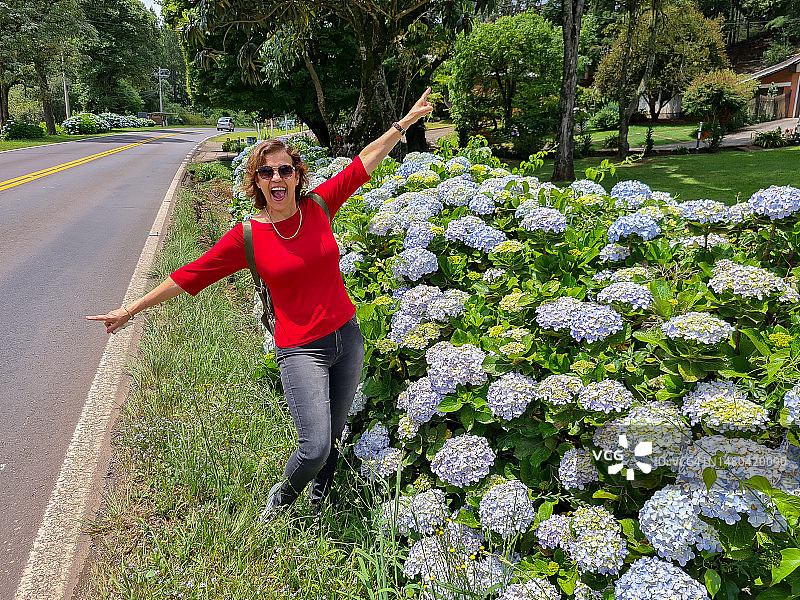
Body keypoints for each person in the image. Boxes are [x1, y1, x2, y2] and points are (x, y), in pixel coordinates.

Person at [87, 88, 434, 518]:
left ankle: (319, 494)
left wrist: (404, 123)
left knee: (337, 430)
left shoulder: (320, 206)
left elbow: (365, 160)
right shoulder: (247, 236)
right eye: (266, 172)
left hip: (348, 335)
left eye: (284, 170)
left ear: (296, 176)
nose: (276, 179)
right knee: (315, 444)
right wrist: (131, 309)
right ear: (256, 182)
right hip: (300, 347)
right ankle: (282, 500)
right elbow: (190, 275)